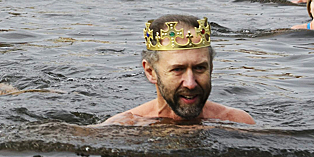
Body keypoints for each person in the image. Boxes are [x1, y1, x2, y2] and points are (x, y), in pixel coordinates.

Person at [101, 15, 255, 125]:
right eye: (178, 69)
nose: (190, 84)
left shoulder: (237, 122)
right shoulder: (125, 127)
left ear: (211, 68)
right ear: (150, 71)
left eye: (200, 68)